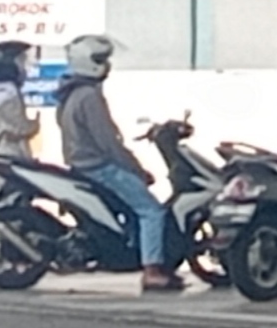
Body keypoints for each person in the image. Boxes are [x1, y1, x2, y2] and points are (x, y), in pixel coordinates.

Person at [56, 34, 183, 292]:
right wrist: (136, 169)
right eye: (101, 59)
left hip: (83, 167)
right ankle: (152, 270)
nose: (107, 64)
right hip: (100, 168)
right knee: (151, 211)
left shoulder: (70, 93)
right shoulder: (89, 97)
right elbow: (108, 144)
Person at [0, 41, 41, 196]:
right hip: (10, 158)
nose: (24, 69)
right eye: (21, 62)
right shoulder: (9, 96)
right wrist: (35, 124)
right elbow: (18, 128)